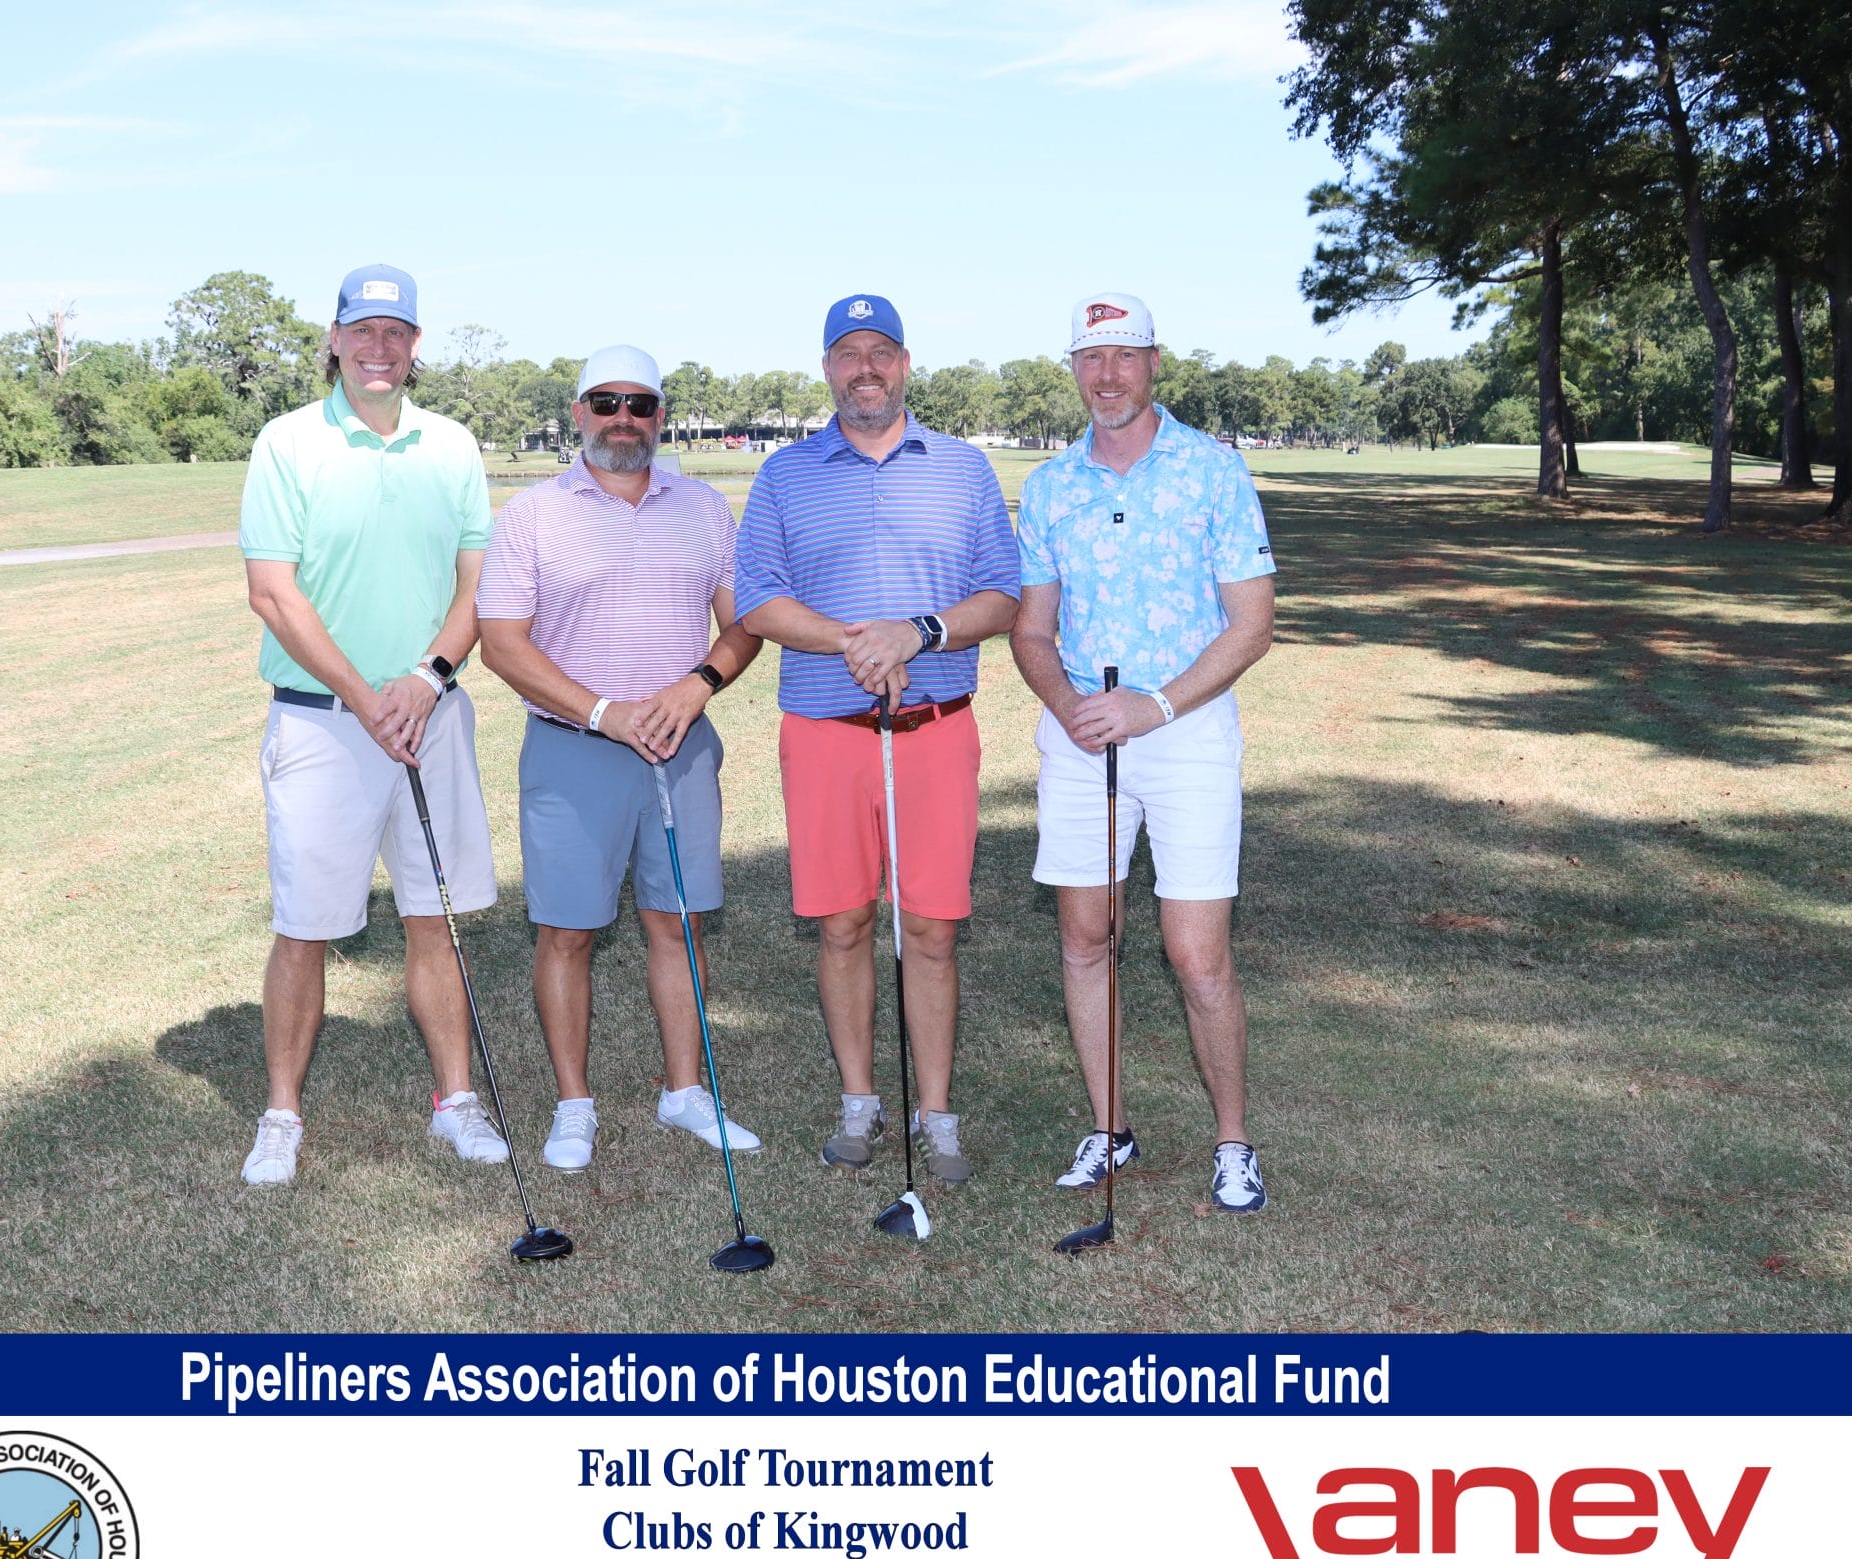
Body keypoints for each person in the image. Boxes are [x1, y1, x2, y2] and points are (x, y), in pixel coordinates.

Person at [734, 295, 1021, 1181]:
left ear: (905, 362)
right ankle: (859, 1100)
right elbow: (758, 599)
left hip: (934, 728)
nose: (866, 367)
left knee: (931, 927)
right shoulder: (784, 474)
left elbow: (1003, 595)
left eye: (881, 351)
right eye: (848, 352)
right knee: (844, 922)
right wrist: (856, 642)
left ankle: (936, 1112)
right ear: (828, 368)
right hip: (826, 732)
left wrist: (917, 633)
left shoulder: (964, 467)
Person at [235, 263, 506, 1184]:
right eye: (363, 330)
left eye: (396, 332)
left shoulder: (452, 445)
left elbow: (480, 586)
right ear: (336, 339)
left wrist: (427, 679)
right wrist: (364, 694)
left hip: (432, 715)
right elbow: (273, 593)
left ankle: (456, 1101)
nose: (379, 347)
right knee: (305, 926)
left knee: (434, 920)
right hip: (323, 723)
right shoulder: (288, 442)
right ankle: (281, 1113)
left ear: (415, 343)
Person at [1010, 291, 1277, 1212]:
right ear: (1074, 369)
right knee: (1087, 938)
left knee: (1197, 954)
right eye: (1092, 357)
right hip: (1085, 733)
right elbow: (1032, 630)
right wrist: (1072, 707)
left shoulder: (1213, 470)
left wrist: (1153, 706)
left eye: (1125, 355)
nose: (1108, 374)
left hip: (1186, 726)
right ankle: (1110, 1125)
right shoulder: (1050, 486)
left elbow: (1252, 624)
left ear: (1155, 362)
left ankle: (1233, 1141)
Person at [476, 345, 765, 1172]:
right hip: (573, 750)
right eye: (606, 402)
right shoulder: (532, 515)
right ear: (579, 414)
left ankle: (685, 1090)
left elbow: (746, 621)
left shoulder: (704, 508)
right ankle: (574, 1103)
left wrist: (697, 686)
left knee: (680, 921)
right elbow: (502, 643)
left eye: (640, 404)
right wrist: (604, 712)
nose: (623, 418)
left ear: (660, 416)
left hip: (680, 746)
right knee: (567, 930)